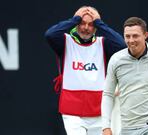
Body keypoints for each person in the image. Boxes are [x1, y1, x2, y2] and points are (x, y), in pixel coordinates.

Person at [44, 6, 126, 135]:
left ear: (96, 27)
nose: (86, 28)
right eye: (82, 23)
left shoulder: (103, 43)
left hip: (98, 109)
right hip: (72, 109)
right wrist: (74, 19)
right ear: (76, 24)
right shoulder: (65, 41)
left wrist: (100, 23)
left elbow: (121, 45)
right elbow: (50, 34)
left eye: (91, 24)